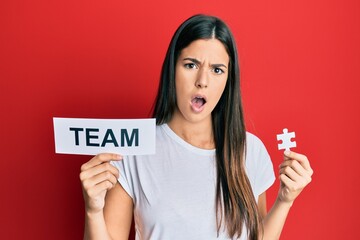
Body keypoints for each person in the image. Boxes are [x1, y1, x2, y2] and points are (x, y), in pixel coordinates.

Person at [80, 14, 313, 240]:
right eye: (191, 65)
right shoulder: (134, 148)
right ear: (173, 68)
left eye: (217, 70)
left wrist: (285, 200)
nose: (203, 80)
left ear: (228, 80)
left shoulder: (250, 150)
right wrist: (93, 211)